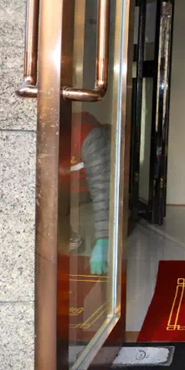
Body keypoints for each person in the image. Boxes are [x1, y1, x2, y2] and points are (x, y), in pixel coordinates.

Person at [67, 111, 111, 275]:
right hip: (63, 195)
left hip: (86, 196)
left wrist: (103, 238)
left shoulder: (87, 136)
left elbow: (101, 189)